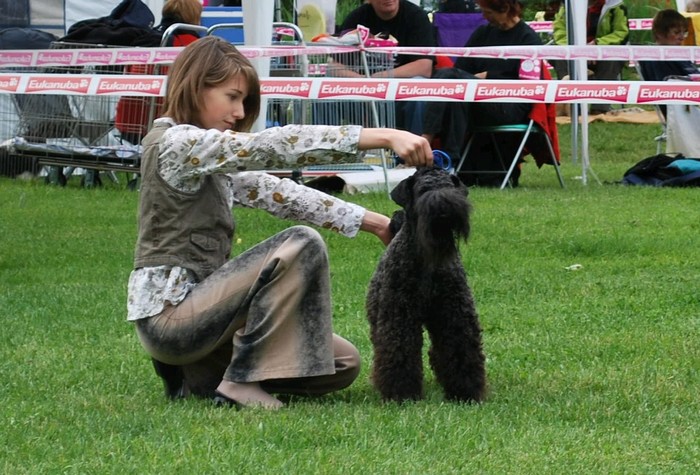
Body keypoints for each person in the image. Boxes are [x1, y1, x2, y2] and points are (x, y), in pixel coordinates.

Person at [127, 36, 434, 410]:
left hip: (203, 323)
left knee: (339, 363)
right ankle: (239, 383)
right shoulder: (178, 144)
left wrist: (375, 223)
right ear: (194, 87)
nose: (240, 112)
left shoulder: (207, 157)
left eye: (244, 101)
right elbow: (274, 145)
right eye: (232, 96)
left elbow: (283, 194)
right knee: (300, 243)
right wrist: (383, 135)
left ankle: (198, 377)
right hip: (171, 322)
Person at [420, 0, 543, 176]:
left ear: (505, 9)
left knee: (452, 81)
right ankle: (450, 163)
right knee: (454, 90)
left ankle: (426, 140)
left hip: (510, 104)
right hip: (476, 99)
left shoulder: (528, 39)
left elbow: (528, 85)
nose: (484, 17)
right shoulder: (483, 33)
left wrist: (488, 76)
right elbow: (461, 68)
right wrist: (474, 79)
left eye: (488, 13)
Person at [333, 0, 436, 135]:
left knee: (418, 91)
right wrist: (362, 80)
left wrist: (380, 77)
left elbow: (424, 66)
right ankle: (323, 149)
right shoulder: (357, 18)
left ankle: (413, 149)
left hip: (401, 91)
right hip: (363, 92)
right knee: (325, 93)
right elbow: (334, 65)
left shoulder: (416, 16)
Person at [115, 0, 203, 145]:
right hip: (165, 125)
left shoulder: (144, 38)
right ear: (194, 15)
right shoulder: (191, 44)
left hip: (128, 121)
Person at [551, 0, 629, 114]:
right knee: (559, 55)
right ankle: (570, 105)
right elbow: (559, 33)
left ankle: (599, 108)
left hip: (603, 51)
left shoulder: (616, 5)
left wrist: (597, 45)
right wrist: (577, 50)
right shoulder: (567, 5)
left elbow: (621, 33)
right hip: (574, 51)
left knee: (612, 59)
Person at [638, 9, 700, 117]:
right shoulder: (662, 57)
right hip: (683, 108)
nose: (681, 37)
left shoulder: (651, 55)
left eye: (684, 32)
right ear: (660, 34)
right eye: (676, 32)